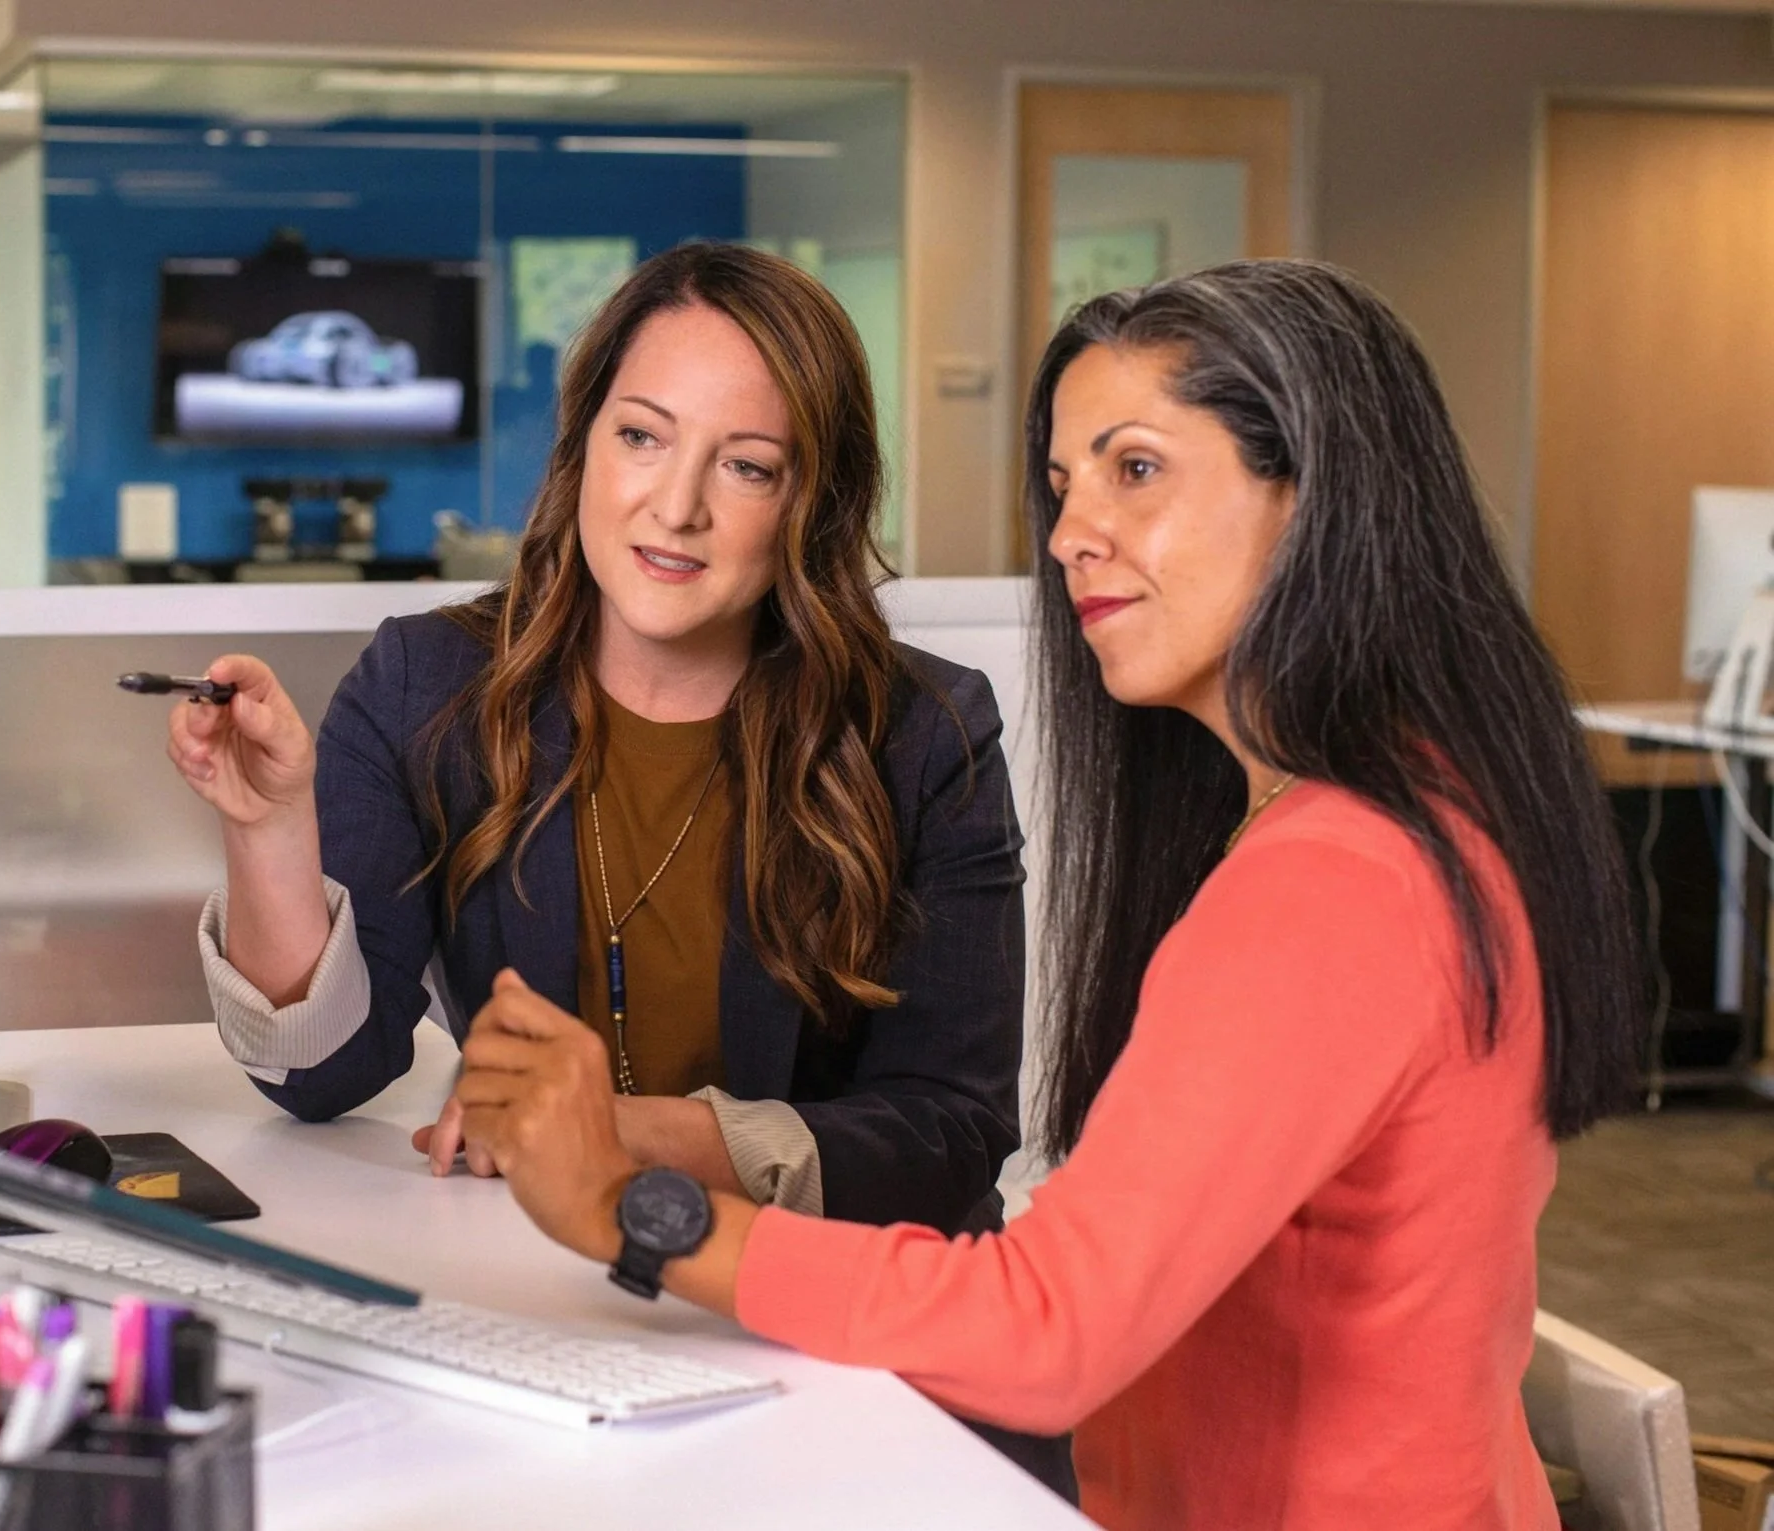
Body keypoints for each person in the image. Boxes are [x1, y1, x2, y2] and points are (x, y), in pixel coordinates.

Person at [449, 259, 1646, 1528]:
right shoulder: (1420, 808)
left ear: (1314, 498)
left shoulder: (1335, 881)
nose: (1072, 531)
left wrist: (629, 1211)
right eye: (1065, 485)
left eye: (1135, 469)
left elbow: (1047, 1330)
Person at [165, 240, 1069, 1488]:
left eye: (744, 466)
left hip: (842, 1349)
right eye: (642, 437)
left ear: (811, 501)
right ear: (582, 442)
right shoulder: (427, 685)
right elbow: (324, 1073)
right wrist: (267, 826)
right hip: (558, 1326)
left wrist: (630, 1143)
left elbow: (951, 1131)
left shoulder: (923, 730)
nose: (675, 506)